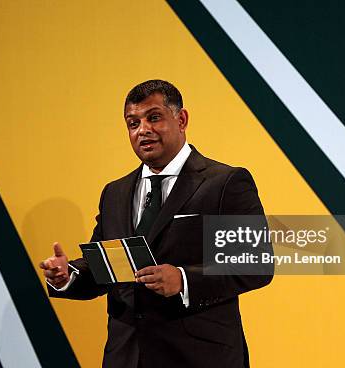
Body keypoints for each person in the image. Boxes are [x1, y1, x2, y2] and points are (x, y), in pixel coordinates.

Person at [40, 80, 273, 367]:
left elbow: (255, 264)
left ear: (181, 119)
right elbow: (107, 266)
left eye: (154, 118)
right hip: (127, 357)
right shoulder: (115, 192)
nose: (143, 130)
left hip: (199, 357)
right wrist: (70, 275)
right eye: (133, 123)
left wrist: (183, 279)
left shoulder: (224, 183)